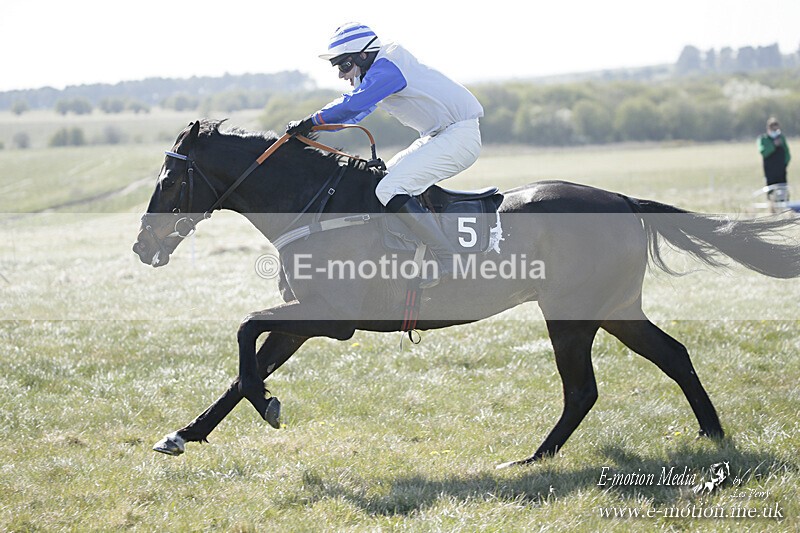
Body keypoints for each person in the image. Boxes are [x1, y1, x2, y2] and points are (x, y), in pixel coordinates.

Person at [286, 22, 484, 287]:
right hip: (441, 135)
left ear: (363, 55)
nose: (342, 75)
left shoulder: (387, 67)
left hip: (459, 136)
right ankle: (413, 252)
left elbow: (353, 104)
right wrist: (312, 125)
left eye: (345, 66)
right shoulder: (379, 72)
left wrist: (311, 120)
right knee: (381, 183)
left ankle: (447, 256)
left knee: (390, 188)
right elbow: (356, 111)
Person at [758, 117, 791, 211]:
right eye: (773, 129)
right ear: (768, 129)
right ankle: (772, 211)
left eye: (777, 129)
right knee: (771, 193)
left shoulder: (782, 138)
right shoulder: (763, 139)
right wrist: (773, 145)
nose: (776, 131)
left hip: (781, 171)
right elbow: (763, 152)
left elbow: (787, 153)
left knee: (783, 192)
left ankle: (785, 211)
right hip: (770, 172)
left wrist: (784, 163)